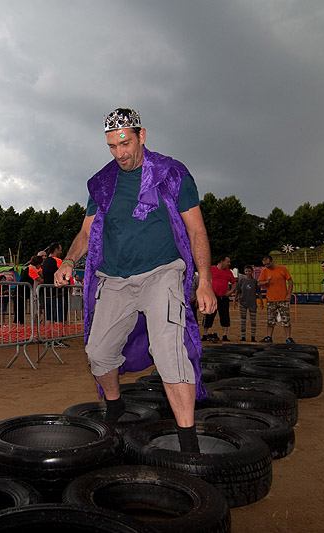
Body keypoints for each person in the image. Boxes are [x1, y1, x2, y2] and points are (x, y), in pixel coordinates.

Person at [54, 108, 215, 453]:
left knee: (169, 352)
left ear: (142, 136)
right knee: (98, 353)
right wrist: (68, 260)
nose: (120, 153)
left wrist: (205, 281)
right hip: (114, 279)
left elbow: (196, 229)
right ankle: (114, 404)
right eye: (112, 146)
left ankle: (188, 441)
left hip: (162, 273)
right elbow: (85, 232)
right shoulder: (102, 182)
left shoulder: (171, 173)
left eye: (125, 143)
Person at [257, 254, 294, 344]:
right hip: (271, 299)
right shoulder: (265, 271)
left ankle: (288, 337)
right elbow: (259, 283)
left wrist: (289, 294)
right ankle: (269, 336)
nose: (266, 266)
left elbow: (290, 281)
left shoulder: (282, 269)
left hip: (283, 299)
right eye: (265, 264)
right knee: (270, 320)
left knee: (286, 319)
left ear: (272, 261)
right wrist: (267, 281)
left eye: (268, 264)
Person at [201, 255, 236, 342]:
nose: (229, 264)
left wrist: (230, 291)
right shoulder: (211, 269)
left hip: (223, 297)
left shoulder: (229, 272)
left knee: (225, 316)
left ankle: (225, 335)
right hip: (212, 297)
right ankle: (204, 334)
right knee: (208, 315)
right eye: (227, 262)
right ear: (221, 261)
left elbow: (234, 283)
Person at [234, 265, 259, 342]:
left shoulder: (255, 282)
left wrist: (261, 301)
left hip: (252, 303)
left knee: (253, 321)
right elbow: (238, 291)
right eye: (246, 271)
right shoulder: (241, 281)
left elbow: (259, 292)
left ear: (252, 272)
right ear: (244, 272)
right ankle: (243, 336)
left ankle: (253, 337)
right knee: (243, 320)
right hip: (243, 303)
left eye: (249, 271)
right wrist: (235, 300)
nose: (247, 273)